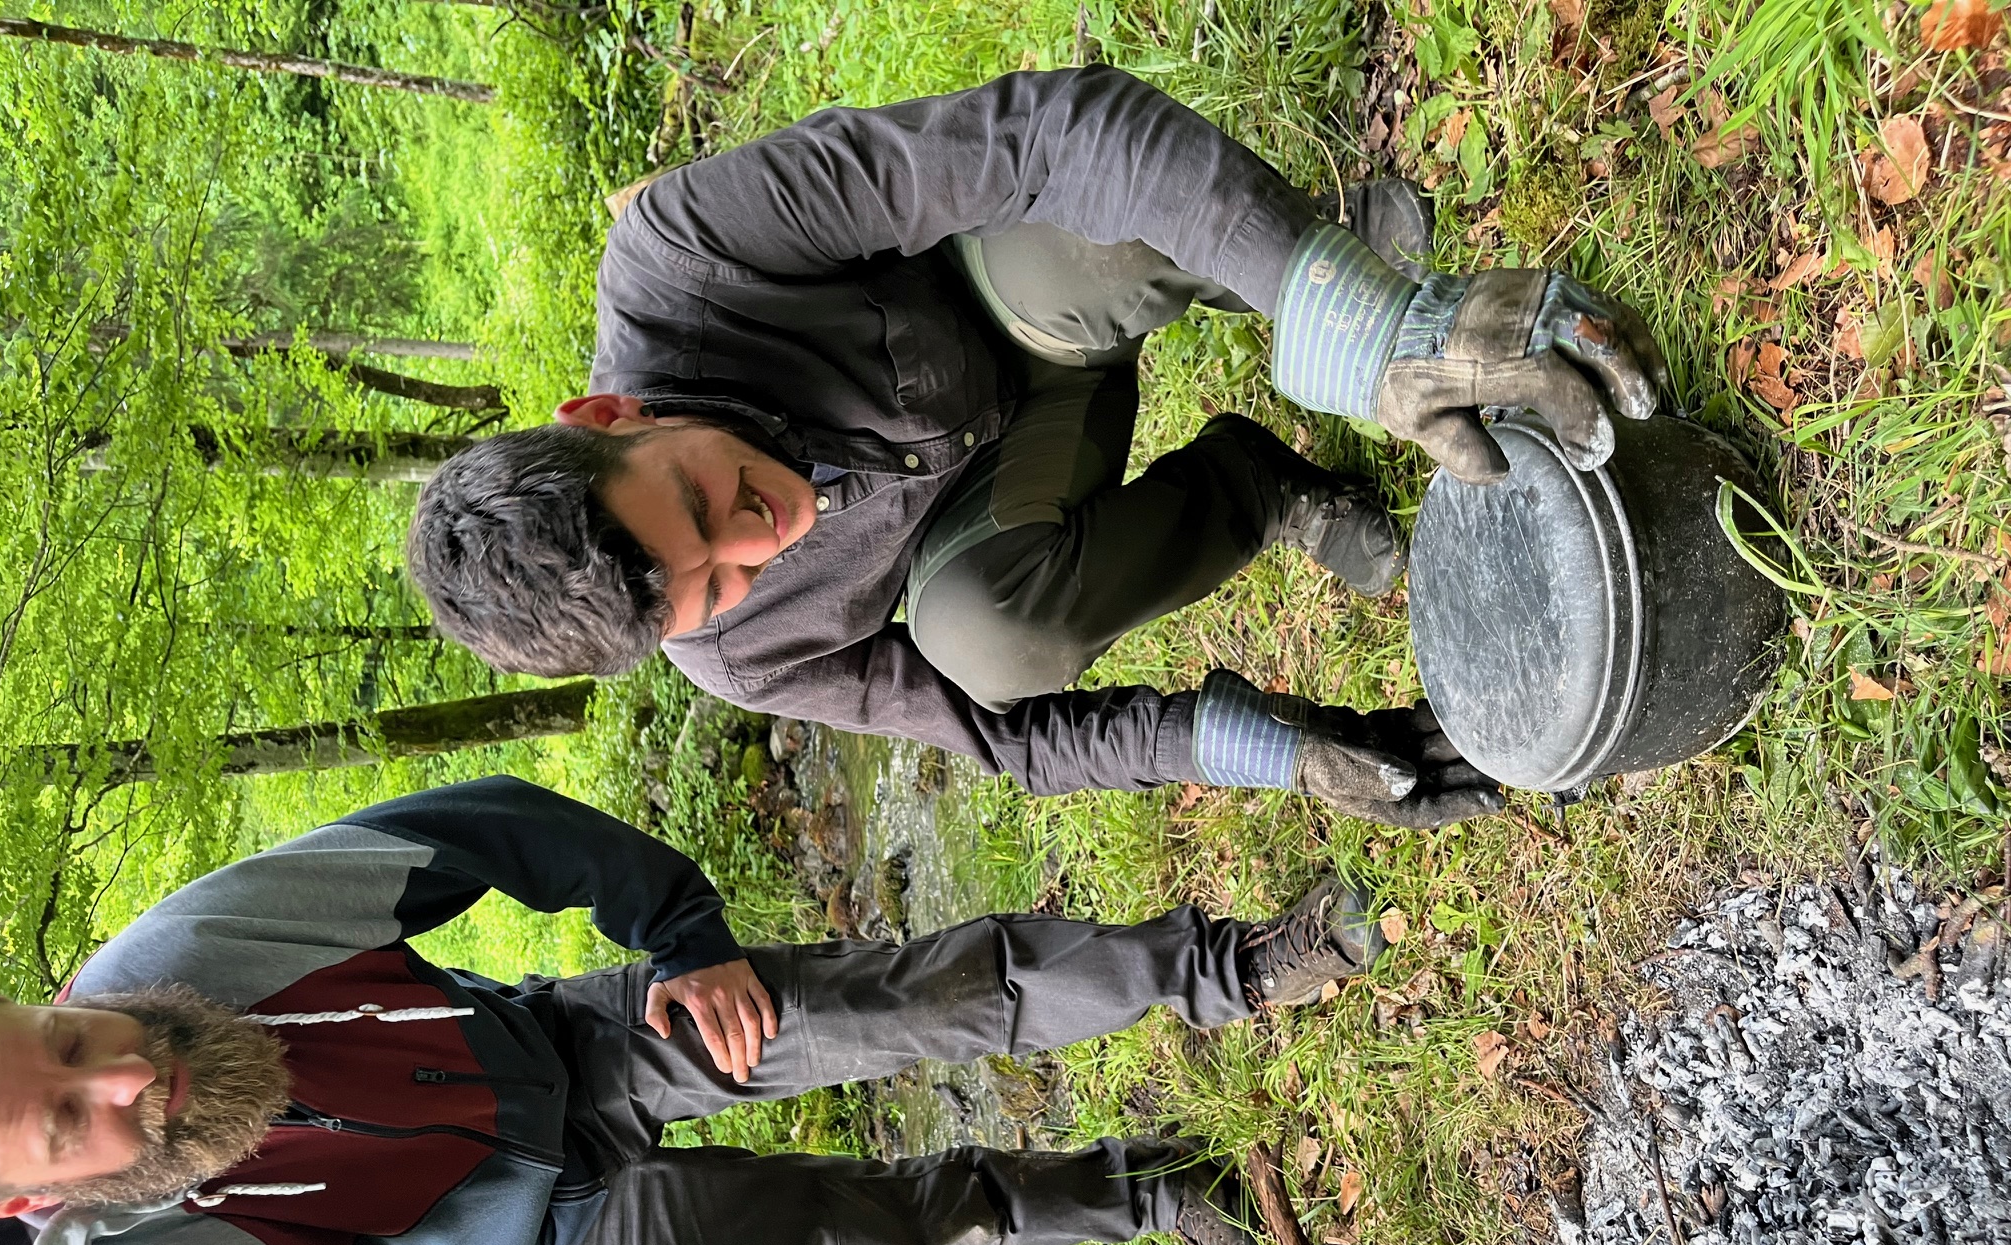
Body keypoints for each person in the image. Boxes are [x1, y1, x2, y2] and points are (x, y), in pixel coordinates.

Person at [406, 68, 1665, 829]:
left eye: (705, 497)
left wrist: (1380, 324)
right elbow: (996, 736)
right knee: (987, 645)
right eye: (720, 583)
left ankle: (1301, 258)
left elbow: (1052, 136)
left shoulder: (689, 259)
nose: (765, 534)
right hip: (1020, 468)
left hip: (1022, 293)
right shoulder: (733, 656)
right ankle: (1254, 487)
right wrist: (1271, 748)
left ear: (606, 418)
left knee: (1098, 242)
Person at [0, 776, 1387, 1245]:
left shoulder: (172, 966)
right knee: (870, 1231)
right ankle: (1162, 1189)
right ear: (29, 1198)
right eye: (74, 1119)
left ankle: (1239, 966)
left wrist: (682, 933)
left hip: (563, 1047)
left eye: (59, 1038)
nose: (122, 1065)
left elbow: (478, 830)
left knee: (909, 1000)